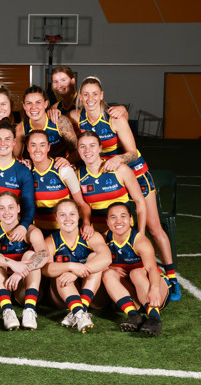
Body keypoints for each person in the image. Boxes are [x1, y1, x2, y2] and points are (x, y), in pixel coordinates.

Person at [70, 76, 180, 300]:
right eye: (86, 94)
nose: (90, 98)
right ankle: (118, 268)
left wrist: (118, 158)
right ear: (80, 97)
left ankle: (172, 278)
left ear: (102, 96)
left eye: (94, 94)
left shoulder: (114, 117)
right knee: (110, 223)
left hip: (131, 169)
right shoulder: (75, 117)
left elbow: (132, 151)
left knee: (154, 227)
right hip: (104, 171)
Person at [0, 192, 49, 330]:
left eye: (11, 207)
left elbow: (44, 254)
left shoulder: (31, 230)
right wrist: (12, 264)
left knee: (30, 254)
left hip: (23, 288)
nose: (6, 212)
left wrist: (20, 272)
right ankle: (7, 310)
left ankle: (29, 310)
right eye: (2, 208)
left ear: (18, 208)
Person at [42, 199, 112, 333]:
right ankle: (80, 313)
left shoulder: (90, 236)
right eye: (62, 215)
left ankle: (80, 310)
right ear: (56, 218)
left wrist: (75, 273)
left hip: (94, 298)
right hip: (62, 298)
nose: (68, 219)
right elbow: (45, 269)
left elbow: (106, 258)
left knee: (94, 257)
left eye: (72, 214)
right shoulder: (51, 240)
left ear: (79, 216)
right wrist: (70, 266)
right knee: (60, 268)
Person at [102, 202, 170, 336]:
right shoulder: (103, 239)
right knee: (107, 273)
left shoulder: (140, 241)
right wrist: (109, 266)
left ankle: (155, 319)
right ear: (107, 222)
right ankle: (134, 315)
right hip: (131, 291)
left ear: (131, 220)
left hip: (152, 287)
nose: (118, 221)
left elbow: (152, 269)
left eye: (123, 216)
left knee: (137, 272)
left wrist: (155, 289)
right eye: (113, 217)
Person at [77, 131, 147, 235]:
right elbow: (82, 205)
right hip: (96, 233)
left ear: (100, 148)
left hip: (123, 231)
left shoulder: (120, 170)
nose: (87, 150)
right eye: (82, 146)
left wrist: (140, 234)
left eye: (92, 145)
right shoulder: (77, 175)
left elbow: (140, 202)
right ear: (77, 150)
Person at [27, 129, 93, 238]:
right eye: (33, 145)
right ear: (28, 148)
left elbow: (81, 203)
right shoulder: (26, 171)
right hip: (39, 231)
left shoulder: (63, 170)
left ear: (48, 147)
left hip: (65, 229)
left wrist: (86, 224)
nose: (37, 150)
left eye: (42, 145)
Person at [15, 85, 78, 161]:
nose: (33, 107)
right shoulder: (20, 129)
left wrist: (67, 162)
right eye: (29, 103)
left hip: (60, 166)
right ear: (24, 106)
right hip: (35, 168)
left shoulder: (61, 122)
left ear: (46, 104)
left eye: (38, 102)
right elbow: (16, 159)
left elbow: (77, 151)